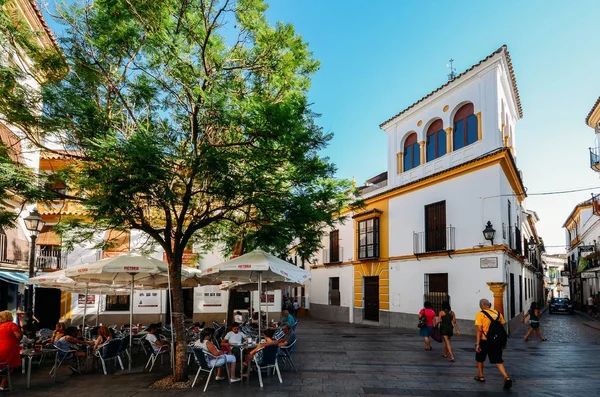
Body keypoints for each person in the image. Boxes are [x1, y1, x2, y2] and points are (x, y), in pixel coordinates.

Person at [474, 299, 512, 390]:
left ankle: (481, 376)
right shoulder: (498, 313)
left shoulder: (480, 314)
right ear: (489, 305)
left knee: (480, 358)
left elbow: (479, 330)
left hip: (485, 340)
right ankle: (506, 377)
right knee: (498, 360)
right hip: (496, 341)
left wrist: (477, 343)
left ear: (481, 306)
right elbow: (502, 326)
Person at [0, 311, 22, 390]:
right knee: (8, 366)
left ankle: (4, 384)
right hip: (9, 348)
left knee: (2, 365)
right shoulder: (11, 325)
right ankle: (3, 385)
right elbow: (18, 336)